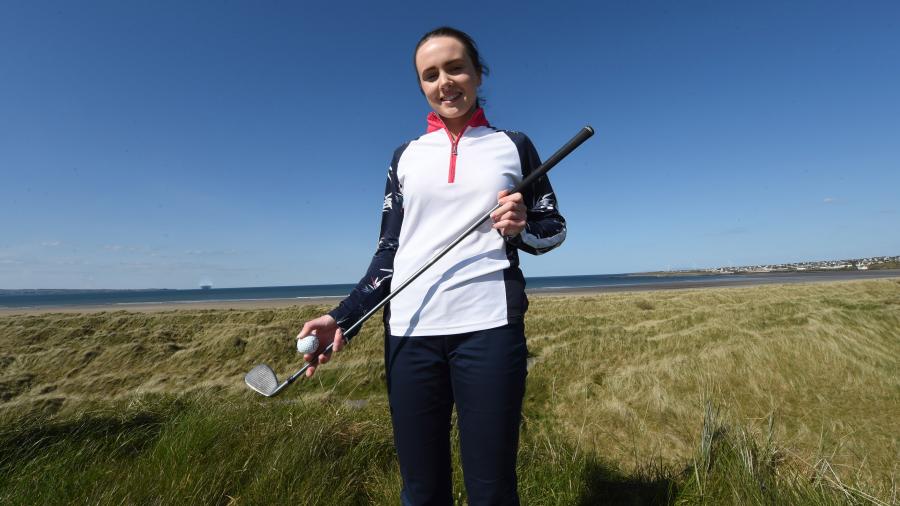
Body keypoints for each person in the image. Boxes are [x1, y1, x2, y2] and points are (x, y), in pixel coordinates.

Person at [297, 26, 566, 506]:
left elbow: (553, 229)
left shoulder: (514, 145)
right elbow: (388, 254)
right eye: (431, 74)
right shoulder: (405, 157)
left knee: (492, 489)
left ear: (479, 74)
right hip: (409, 332)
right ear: (422, 85)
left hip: (490, 328)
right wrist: (341, 318)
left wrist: (521, 226)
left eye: (456, 67)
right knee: (421, 492)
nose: (445, 81)